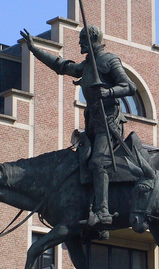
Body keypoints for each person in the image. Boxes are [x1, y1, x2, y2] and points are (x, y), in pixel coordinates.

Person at [20, 25, 137, 226]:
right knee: (79, 164)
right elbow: (62, 66)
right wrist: (34, 49)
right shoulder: (87, 65)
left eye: (83, 38)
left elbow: (130, 87)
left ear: (93, 39)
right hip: (92, 122)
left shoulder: (109, 60)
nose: (80, 42)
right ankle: (87, 207)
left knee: (99, 162)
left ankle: (103, 212)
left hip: (108, 123)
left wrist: (108, 93)